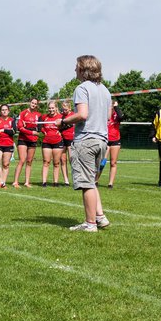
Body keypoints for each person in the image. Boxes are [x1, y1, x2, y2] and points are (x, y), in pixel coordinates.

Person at [57, 55, 112, 232]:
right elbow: (109, 116)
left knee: (86, 183)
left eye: (76, 67)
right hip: (102, 141)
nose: (74, 70)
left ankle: (90, 224)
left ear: (83, 69)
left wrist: (64, 121)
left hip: (86, 140)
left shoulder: (82, 88)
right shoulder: (105, 90)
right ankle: (100, 217)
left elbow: (82, 114)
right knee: (92, 181)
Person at [12, 98, 42, 188]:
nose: (33, 104)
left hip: (33, 140)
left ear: (37, 105)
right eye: (32, 102)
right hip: (23, 139)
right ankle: (15, 182)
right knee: (22, 160)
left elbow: (39, 128)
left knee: (29, 161)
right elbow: (20, 127)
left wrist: (34, 130)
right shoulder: (23, 113)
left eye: (35, 103)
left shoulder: (39, 115)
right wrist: (31, 131)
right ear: (29, 103)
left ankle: (27, 182)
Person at [39, 101, 64, 186]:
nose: (51, 109)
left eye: (53, 108)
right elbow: (39, 125)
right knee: (46, 162)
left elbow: (67, 126)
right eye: (49, 108)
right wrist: (43, 131)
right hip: (47, 142)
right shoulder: (44, 117)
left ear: (56, 108)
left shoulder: (60, 117)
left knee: (56, 163)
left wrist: (61, 132)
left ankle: (55, 182)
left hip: (57, 142)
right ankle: (44, 182)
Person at [0, 104, 16, 188]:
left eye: (5, 109)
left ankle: (2, 183)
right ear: (0, 111)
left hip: (8, 144)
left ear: (8, 111)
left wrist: (3, 130)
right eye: (2, 110)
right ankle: (1, 182)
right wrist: (8, 131)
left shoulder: (12, 120)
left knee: (5, 165)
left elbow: (14, 132)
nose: (4, 111)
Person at [103, 99, 122, 188]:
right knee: (102, 162)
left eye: (111, 105)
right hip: (105, 140)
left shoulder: (116, 115)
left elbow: (121, 117)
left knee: (113, 163)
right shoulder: (103, 115)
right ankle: (95, 180)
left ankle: (110, 183)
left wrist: (116, 106)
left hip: (115, 140)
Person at [58, 100, 75, 186]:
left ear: (69, 108)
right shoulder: (61, 116)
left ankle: (75, 179)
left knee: (72, 159)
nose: (64, 111)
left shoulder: (73, 115)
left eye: (66, 109)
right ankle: (66, 180)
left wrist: (64, 125)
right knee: (63, 160)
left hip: (71, 139)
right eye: (63, 109)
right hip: (62, 139)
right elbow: (59, 127)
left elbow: (72, 124)